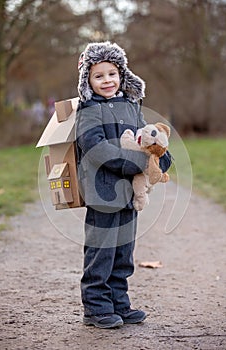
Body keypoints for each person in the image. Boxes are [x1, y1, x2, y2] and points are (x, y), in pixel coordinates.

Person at [76, 42, 171, 329]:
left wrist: (160, 158)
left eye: (112, 73)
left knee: (123, 251)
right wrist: (137, 164)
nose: (107, 80)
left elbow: (147, 139)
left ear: (122, 74)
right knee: (101, 251)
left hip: (129, 193)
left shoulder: (131, 106)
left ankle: (119, 302)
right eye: (98, 76)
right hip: (103, 192)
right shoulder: (88, 110)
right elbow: (97, 148)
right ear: (87, 81)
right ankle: (96, 307)